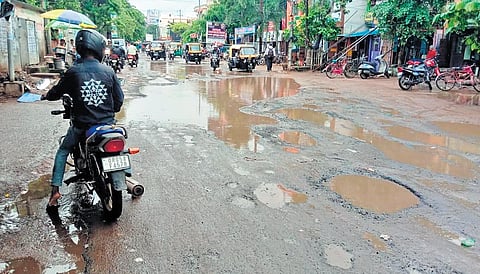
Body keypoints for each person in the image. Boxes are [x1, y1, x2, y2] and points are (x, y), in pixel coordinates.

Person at [41, 29, 124, 208]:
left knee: (63, 150)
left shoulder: (73, 72)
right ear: (98, 49)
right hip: (107, 125)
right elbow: (119, 99)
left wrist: (47, 96)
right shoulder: (108, 71)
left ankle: (55, 191)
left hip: (81, 126)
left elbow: (56, 92)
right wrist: (112, 111)